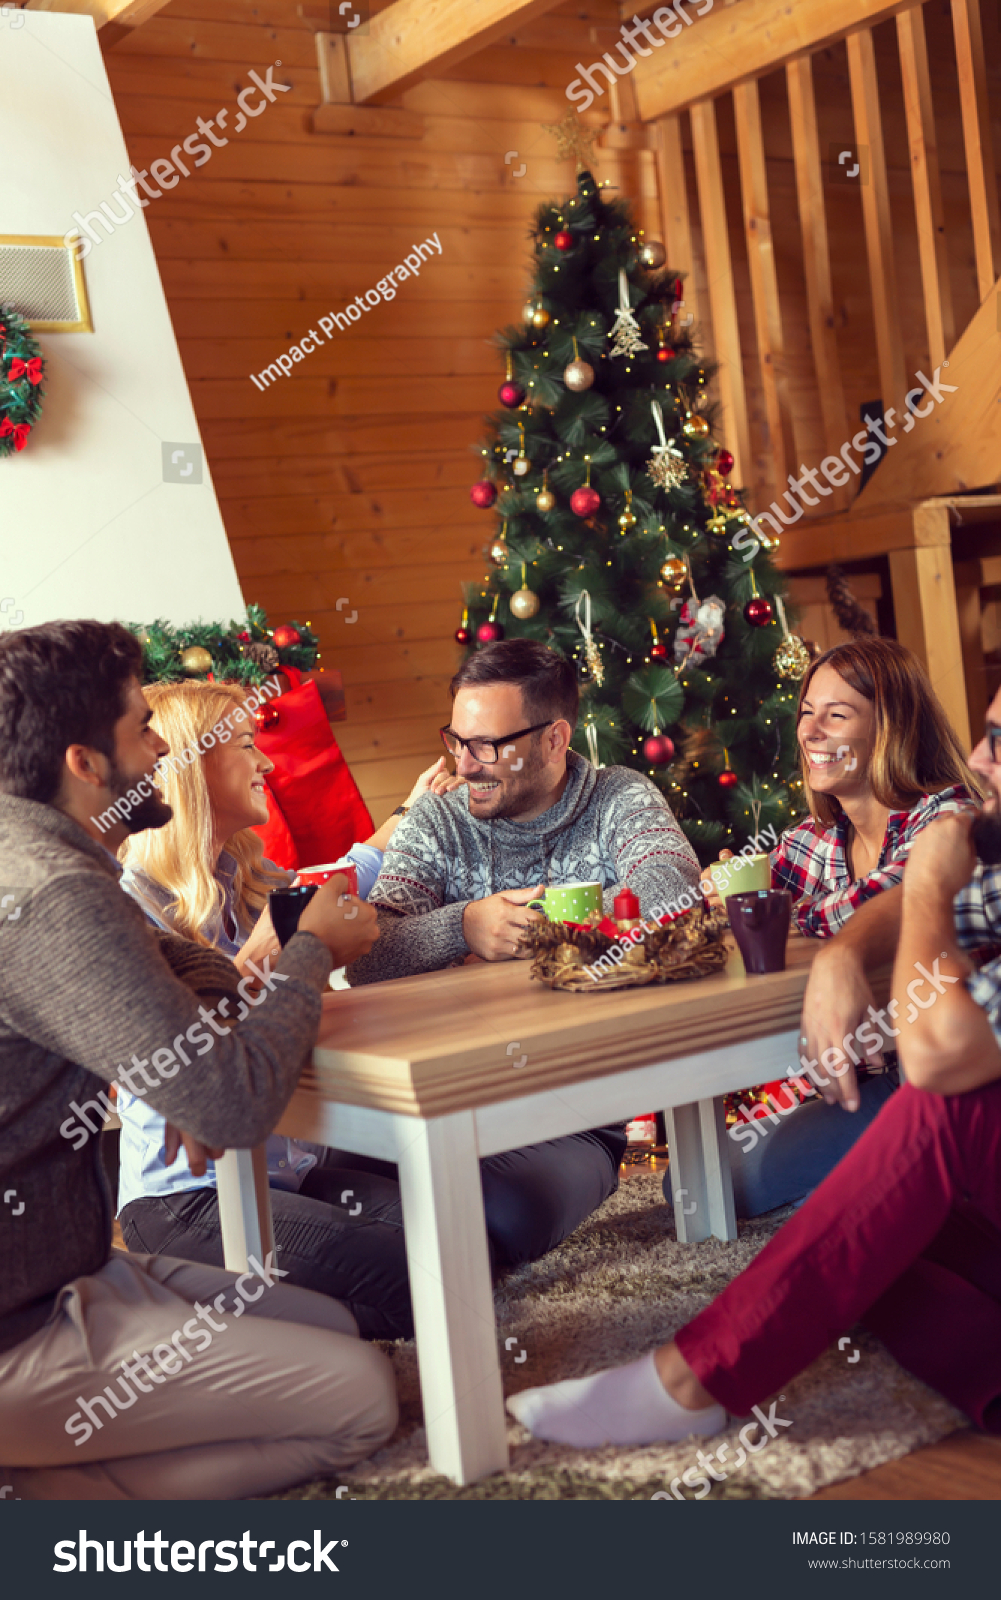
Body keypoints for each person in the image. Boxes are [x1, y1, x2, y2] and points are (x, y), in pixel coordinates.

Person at [506, 688, 1001, 1449]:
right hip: (888, 1092)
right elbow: (900, 906)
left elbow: (938, 1056)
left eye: (998, 742)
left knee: (938, 1117)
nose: (978, 760)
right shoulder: (824, 840)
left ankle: (693, 1378)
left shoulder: (937, 821)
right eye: (805, 712)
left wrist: (927, 882)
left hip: (912, 1089)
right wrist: (846, 948)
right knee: (864, 1240)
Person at [0, 621, 397, 1500]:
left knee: (337, 1326)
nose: (158, 746)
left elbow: (169, 962)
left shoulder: (40, 852)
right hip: (18, 1330)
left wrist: (197, 1018)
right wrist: (308, 954)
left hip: (73, 1272)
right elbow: (231, 1110)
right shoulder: (53, 893)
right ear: (85, 763)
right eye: (142, 727)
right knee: (364, 1401)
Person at [115, 678, 459, 1341]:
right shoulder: (132, 905)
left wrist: (402, 819)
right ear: (189, 768)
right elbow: (190, 1062)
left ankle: (271, 1311)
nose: (268, 762)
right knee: (417, 1283)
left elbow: (332, 884)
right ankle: (226, 1321)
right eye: (249, 745)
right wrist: (265, 966)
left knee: (462, 1234)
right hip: (187, 1200)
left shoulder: (239, 881)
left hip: (288, 1176)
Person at [344, 639, 703, 1256]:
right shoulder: (438, 819)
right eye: (456, 740)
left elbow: (674, 896)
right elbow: (367, 954)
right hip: (446, 1102)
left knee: (500, 1219)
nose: (463, 765)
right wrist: (465, 927)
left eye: (486, 746)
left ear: (554, 740)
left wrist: (542, 922)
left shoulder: (619, 797)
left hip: (577, 1118)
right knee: (345, 1179)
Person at [703, 637, 979, 1219]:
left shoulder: (948, 814)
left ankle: (888, 1194)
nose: (810, 732)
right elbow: (737, 909)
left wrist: (799, 920)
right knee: (705, 1177)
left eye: (837, 714)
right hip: (853, 1084)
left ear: (892, 728)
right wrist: (722, 893)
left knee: (729, 1188)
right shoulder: (811, 840)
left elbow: (902, 891)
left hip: (943, 1081)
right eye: (806, 713)